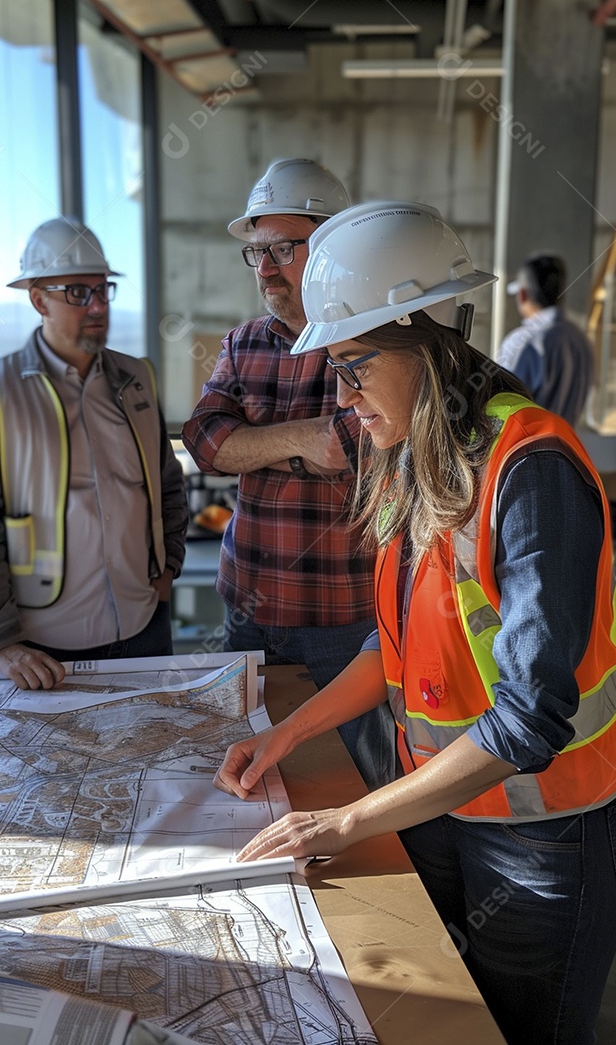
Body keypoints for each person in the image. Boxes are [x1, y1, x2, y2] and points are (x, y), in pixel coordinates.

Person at [212, 202, 616, 1045]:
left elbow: (529, 719)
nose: (344, 397)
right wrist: (288, 732)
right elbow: (396, 644)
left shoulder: (528, 467)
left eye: (356, 366)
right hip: (449, 814)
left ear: (426, 335)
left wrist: (343, 824)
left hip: (546, 839)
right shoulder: (421, 451)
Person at [182, 159, 394, 791]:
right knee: (246, 763)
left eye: (283, 249)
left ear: (332, 244)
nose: (267, 268)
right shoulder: (244, 342)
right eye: (257, 252)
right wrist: (302, 439)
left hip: (344, 612)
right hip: (249, 604)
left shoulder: (374, 336)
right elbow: (204, 442)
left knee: (363, 772)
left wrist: (257, 444)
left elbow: (357, 447)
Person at [0, 217, 188, 690]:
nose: (98, 306)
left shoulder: (135, 378)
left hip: (145, 627)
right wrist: (0, 638)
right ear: (39, 299)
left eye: (103, 290)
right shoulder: (0, 392)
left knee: (156, 753)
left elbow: (165, 481)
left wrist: (171, 564)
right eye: (79, 293)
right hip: (45, 646)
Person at [496, 252, 594, 426]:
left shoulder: (522, 342)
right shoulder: (581, 340)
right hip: (567, 448)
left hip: (525, 448)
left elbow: (501, 409)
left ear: (523, 295)